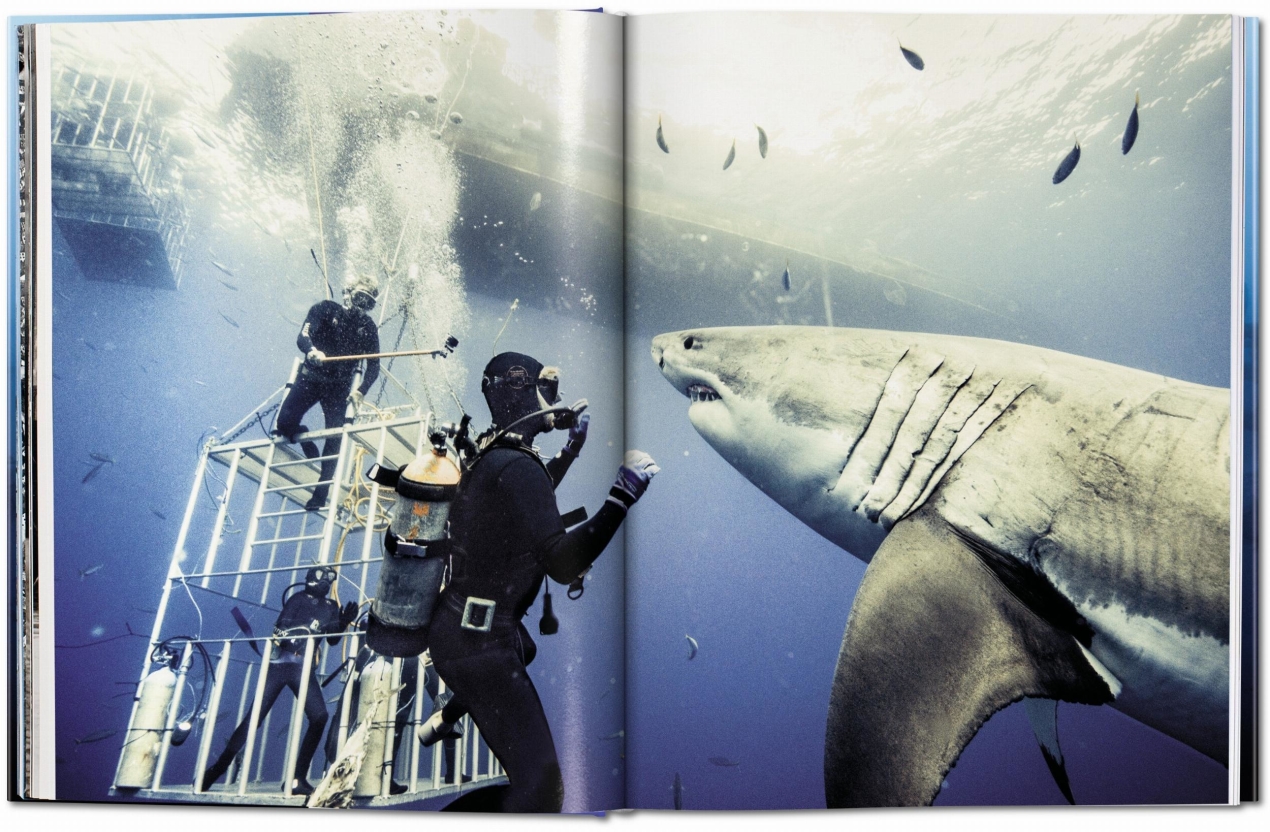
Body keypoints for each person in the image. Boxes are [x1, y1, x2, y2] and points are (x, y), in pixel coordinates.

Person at [423, 351, 658, 812]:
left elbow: (529, 494)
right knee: (541, 793)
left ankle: (447, 715)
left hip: (461, 628)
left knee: (525, 648)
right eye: (547, 388)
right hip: (478, 646)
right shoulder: (518, 465)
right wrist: (622, 496)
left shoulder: (495, 453)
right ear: (520, 389)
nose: (557, 399)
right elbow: (563, 565)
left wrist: (571, 450)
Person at [200, 566, 358, 796]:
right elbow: (280, 628)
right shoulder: (297, 599)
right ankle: (216, 769)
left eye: (330, 577)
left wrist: (342, 622)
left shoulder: (332, 606)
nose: (325, 580)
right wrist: (304, 632)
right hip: (280, 665)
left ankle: (297, 778)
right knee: (253, 719)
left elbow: (332, 640)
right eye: (320, 575)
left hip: (303, 669)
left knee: (319, 717)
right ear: (309, 578)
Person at [275, 275, 381, 511]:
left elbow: (374, 366)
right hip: (311, 378)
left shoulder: (368, 328)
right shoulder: (324, 309)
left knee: (335, 438)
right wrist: (312, 351)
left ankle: (321, 492)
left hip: (338, 388)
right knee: (284, 423)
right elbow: (303, 336)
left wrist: (361, 391)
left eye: (368, 303)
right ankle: (301, 434)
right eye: (359, 298)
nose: (362, 306)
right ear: (348, 293)